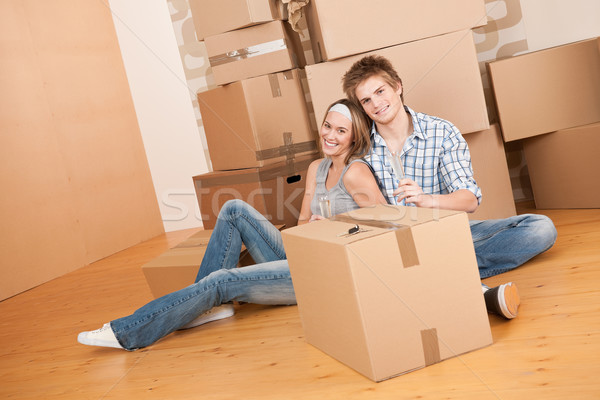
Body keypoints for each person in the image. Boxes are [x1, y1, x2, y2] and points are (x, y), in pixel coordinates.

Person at [77, 99, 388, 350]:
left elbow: (384, 228)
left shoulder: (354, 173)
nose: (330, 136)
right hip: (302, 252)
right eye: (327, 126)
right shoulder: (316, 167)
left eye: (341, 131)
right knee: (233, 208)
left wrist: (332, 228)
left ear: (355, 136)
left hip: (323, 273)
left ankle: (128, 332)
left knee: (222, 281)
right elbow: (302, 223)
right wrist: (311, 229)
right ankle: (207, 306)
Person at [341, 55, 558, 319]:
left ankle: (432, 274)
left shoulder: (441, 132)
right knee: (388, 263)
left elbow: (469, 200)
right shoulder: (361, 149)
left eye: (380, 91)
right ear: (361, 107)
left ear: (397, 86)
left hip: (448, 232)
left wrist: (425, 199)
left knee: (541, 229)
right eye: (366, 100)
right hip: (397, 246)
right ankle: (477, 292)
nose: (376, 104)